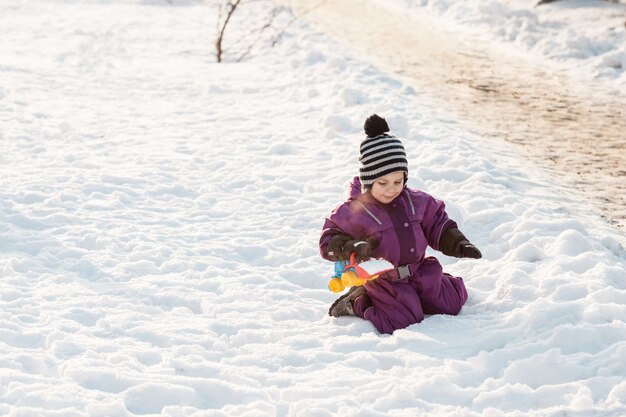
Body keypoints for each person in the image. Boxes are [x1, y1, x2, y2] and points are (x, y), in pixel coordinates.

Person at [319, 114, 482, 335]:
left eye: (398, 181)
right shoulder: (355, 211)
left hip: (419, 269)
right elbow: (329, 237)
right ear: (368, 181)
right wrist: (347, 247)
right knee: (403, 320)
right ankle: (359, 300)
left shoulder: (416, 202)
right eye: (383, 183)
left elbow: (437, 223)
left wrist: (458, 243)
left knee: (452, 302)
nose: (392, 189)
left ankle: (428, 293)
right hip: (385, 280)